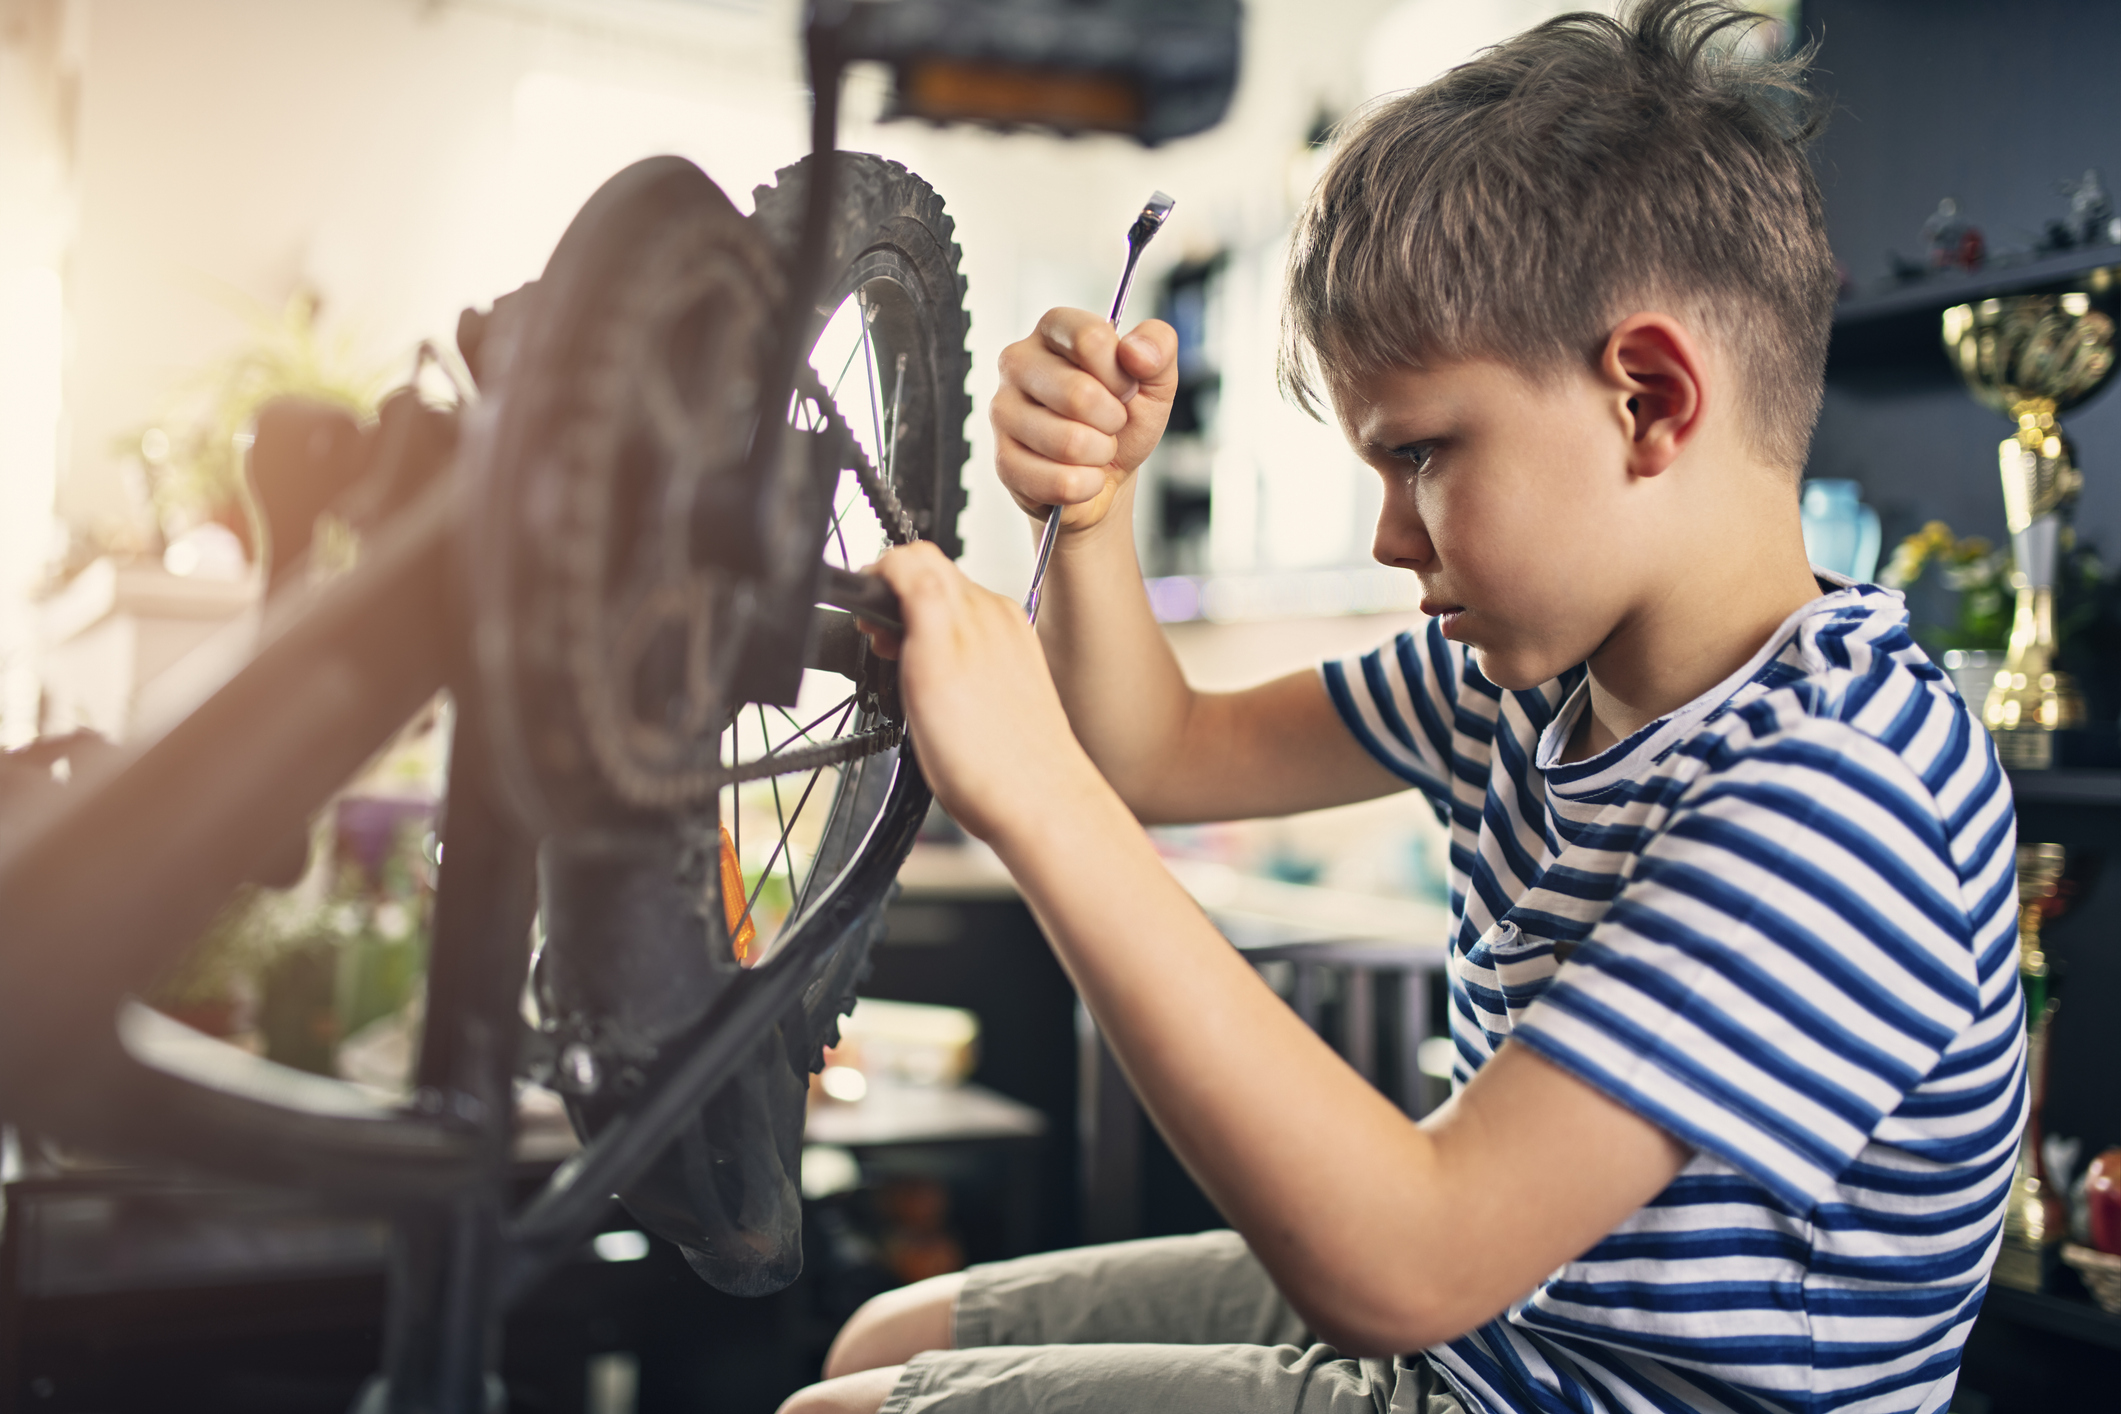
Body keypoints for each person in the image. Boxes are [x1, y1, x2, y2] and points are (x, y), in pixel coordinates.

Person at [784, 2, 2022, 1411]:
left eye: (1421, 453)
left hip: (1552, 1376)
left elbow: (1408, 1261)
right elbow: (1157, 751)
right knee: (877, 1346)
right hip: (1497, 1339)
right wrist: (1093, 511)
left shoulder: (1840, 792)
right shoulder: (1527, 681)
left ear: (1649, 399)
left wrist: (1037, 798)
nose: (1390, 535)